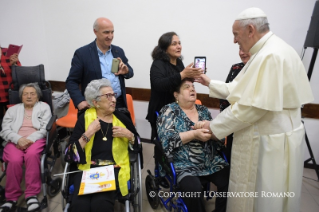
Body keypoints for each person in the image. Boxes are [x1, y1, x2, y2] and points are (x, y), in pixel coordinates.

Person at [194, 8, 313, 212]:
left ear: (250, 29)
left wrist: (213, 126)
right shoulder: (276, 49)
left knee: (262, 200)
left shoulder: (269, 55)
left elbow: (250, 107)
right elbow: (242, 89)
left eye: (235, 35)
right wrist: (209, 82)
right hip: (281, 135)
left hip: (267, 141)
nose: (234, 41)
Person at [64, 78, 139, 212]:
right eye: (108, 96)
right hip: (87, 169)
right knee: (79, 206)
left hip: (112, 169)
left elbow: (138, 145)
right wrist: (88, 133)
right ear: (95, 102)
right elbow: (69, 154)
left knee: (101, 205)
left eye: (113, 95)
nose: (114, 100)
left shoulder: (122, 119)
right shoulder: (85, 119)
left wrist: (129, 135)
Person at [157, 78, 229, 212]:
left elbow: (219, 137)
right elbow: (166, 140)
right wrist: (194, 134)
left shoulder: (203, 110)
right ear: (176, 94)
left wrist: (211, 132)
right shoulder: (168, 111)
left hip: (209, 160)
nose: (192, 89)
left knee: (230, 180)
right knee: (194, 190)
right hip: (183, 164)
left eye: (193, 87)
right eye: (186, 87)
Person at [66, 17, 134, 116]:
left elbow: (130, 72)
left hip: (118, 104)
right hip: (96, 107)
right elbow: (71, 81)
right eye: (106, 32)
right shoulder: (82, 53)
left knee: (121, 131)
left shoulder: (118, 51)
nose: (110, 36)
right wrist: (79, 101)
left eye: (112, 32)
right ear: (95, 32)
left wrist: (126, 71)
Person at [0, 83, 52, 212]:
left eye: (32, 93)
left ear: (38, 96)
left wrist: (29, 140)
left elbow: (45, 128)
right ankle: (11, 198)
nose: (29, 96)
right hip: (15, 140)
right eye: (25, 94)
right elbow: (4, 130)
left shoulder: (44, 107)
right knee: (14, 160)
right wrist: (18, 139)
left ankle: (31, 195)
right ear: (21, 96)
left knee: (32, 155)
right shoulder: (12, 110)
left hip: (35, 139)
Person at [146, 32, 202, 141]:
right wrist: (182, 75)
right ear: (165, 48)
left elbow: (180, 84)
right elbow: (159, 85)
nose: (178, 46)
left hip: (178, 110)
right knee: (166, 143)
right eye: (174, 44)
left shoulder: (179, 62)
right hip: (162, 111)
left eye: (179, 43)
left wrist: (191, 76)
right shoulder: (158, 64)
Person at [219, 47, 251, 163]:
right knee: (232, 155)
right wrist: (224, 119)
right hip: (233, 118)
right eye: (240, 49)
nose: (242, 53)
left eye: (245, 49)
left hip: (250, 120)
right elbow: (225, 95)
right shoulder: (236, 68)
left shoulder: (260, 68)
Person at [0, 46, 21, 119]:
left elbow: (20, 73)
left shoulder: (7, 52)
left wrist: (14, 64)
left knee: (15, 119)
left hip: (11, 93)